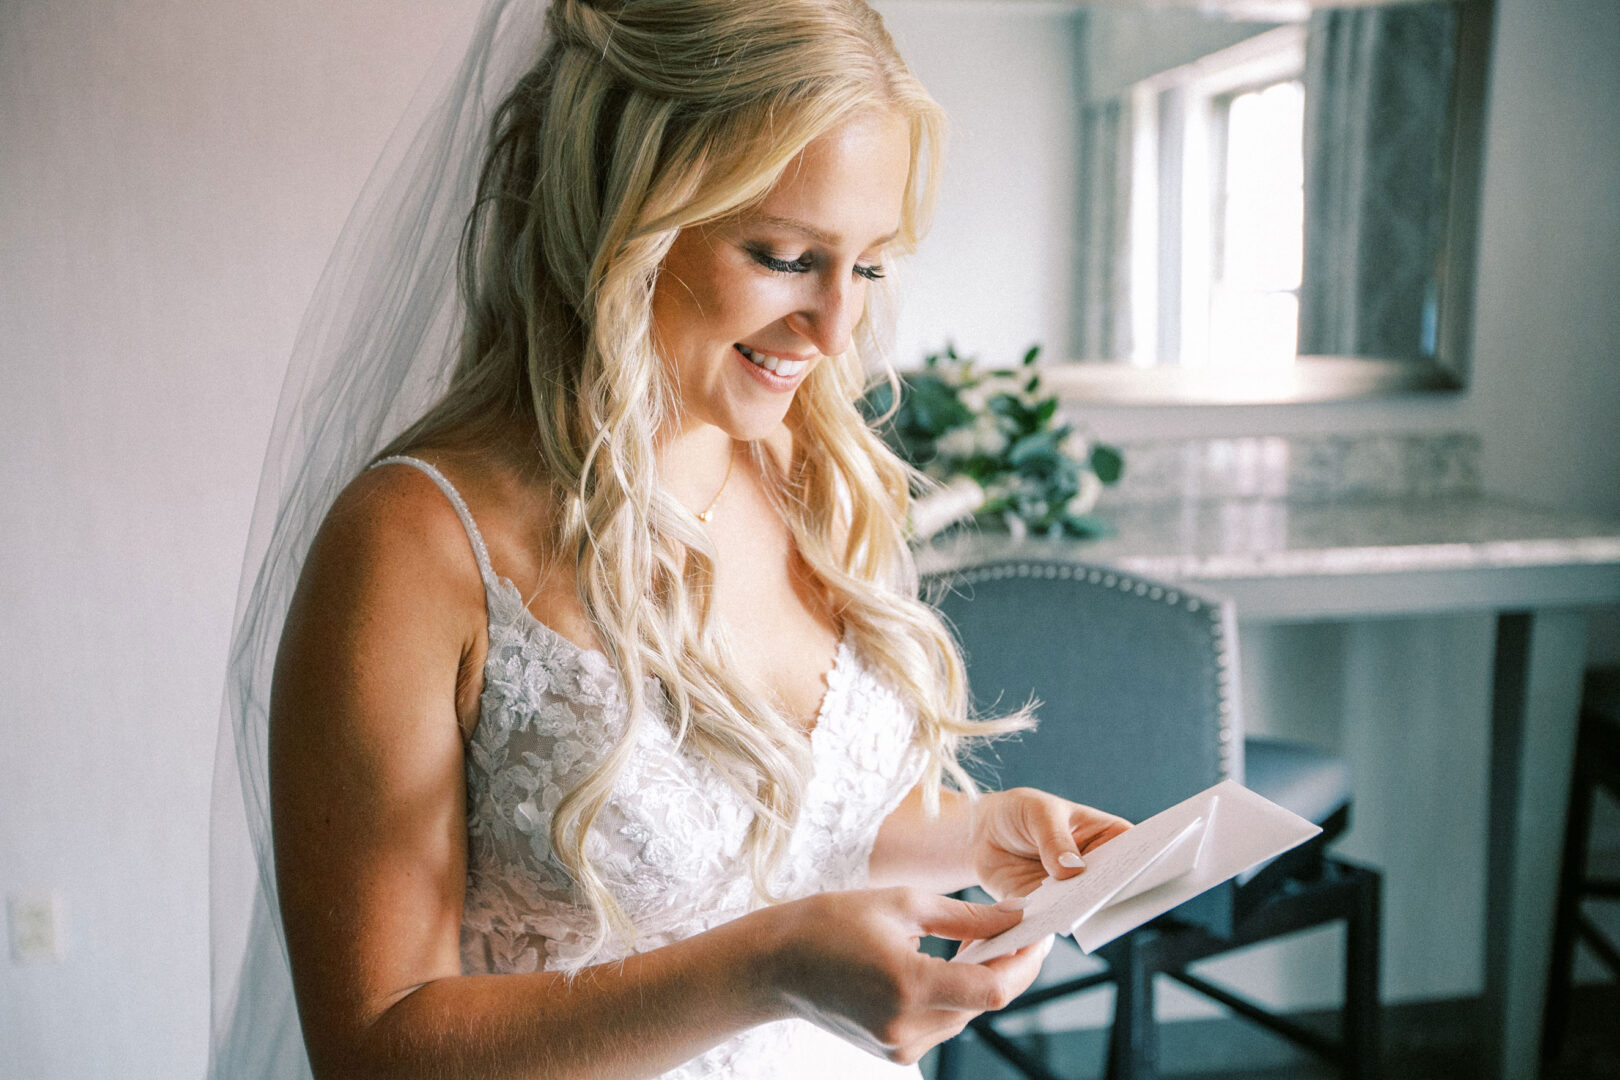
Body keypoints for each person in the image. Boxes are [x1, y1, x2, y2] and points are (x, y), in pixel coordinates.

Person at [211, 1, 1129, 1077]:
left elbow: (790, 821)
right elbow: (374, 1051)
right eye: (785, 255)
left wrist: (974, 835)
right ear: (624, 215)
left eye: (869, 266)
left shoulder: (808, 469)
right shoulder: (415, 545)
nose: (835, 330)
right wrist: (766, 967)